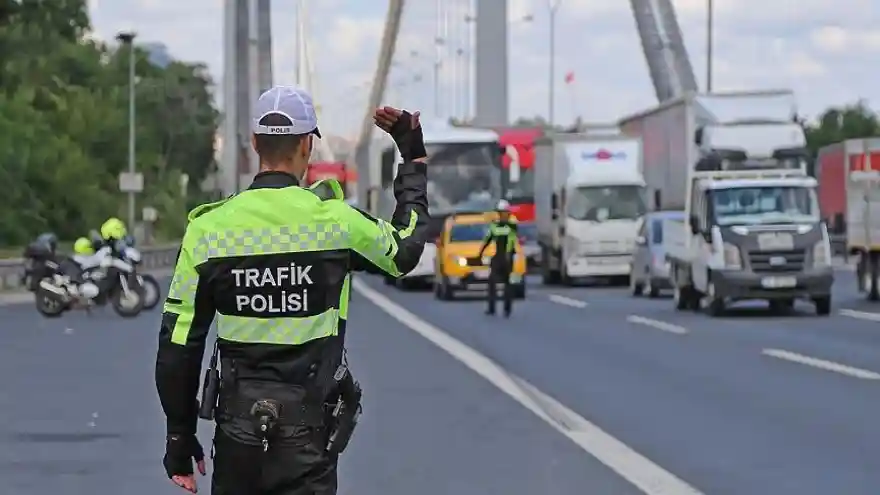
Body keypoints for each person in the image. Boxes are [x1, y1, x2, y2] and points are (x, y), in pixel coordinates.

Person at [155, 85, 430, 494]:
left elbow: (178, 346)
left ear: (254, 145)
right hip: (309, 437)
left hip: (238, 436)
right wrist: (412, 157)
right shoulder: (335, 223)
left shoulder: (207, 231)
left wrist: (179, 438)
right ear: (307, 145)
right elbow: (404, 249)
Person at [478, 200, 519, 317]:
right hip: (498, 257)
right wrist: (480, 253)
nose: (503, 215)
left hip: (508, 256)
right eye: (501, 213)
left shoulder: (511, 226)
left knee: (508, 285)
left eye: (505, 213)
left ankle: (507, 309)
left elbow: (511, 241)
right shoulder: (496, 226)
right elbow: (487, 240)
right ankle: (492, 308)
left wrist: (509, 255)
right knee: (492, 283)